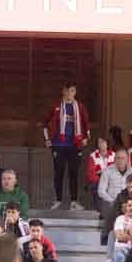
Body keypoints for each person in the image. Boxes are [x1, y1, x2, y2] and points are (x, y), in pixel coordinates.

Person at [43, 83, 91, 211]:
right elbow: (45, 123)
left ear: (75, 92)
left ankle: (74, 201)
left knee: (73, 173)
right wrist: (47, 139)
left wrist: (86, 138)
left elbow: (86, 124)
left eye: (72, 91)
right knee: (58, 172)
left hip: (75, 145)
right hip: (58, 145)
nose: (70, 93)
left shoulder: (80, 107)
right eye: (68, 91)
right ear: (63, 91)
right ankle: (58, 200)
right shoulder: (56, 106)